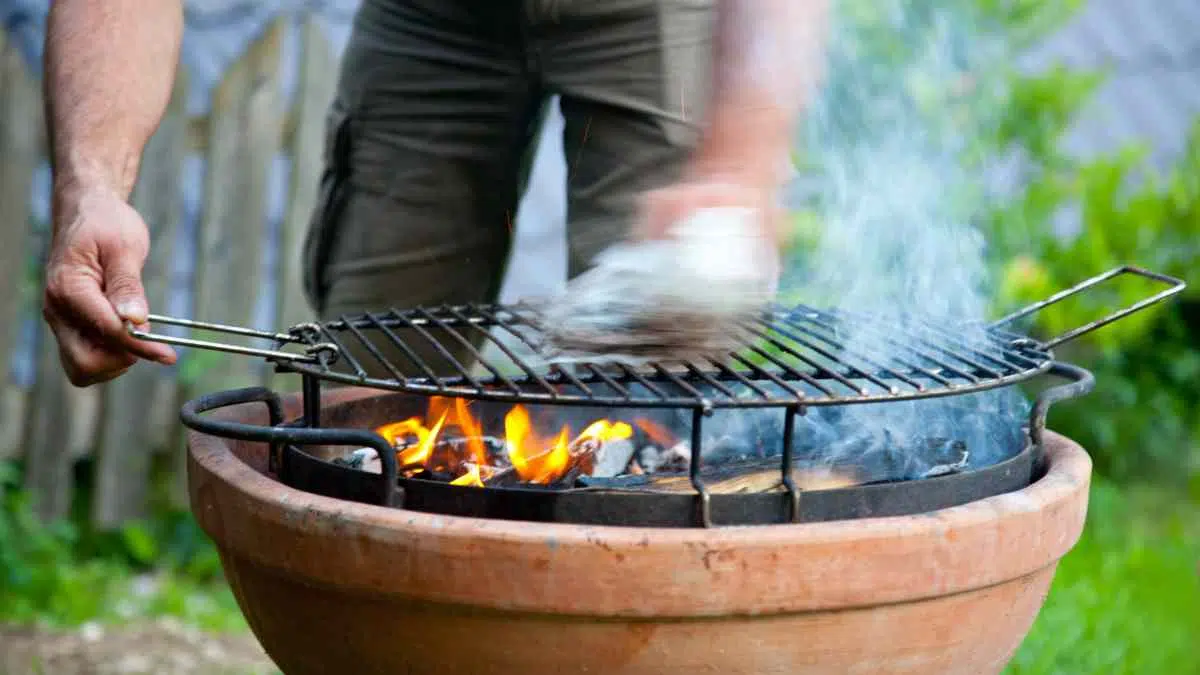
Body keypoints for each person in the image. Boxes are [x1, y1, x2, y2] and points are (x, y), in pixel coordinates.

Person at [40, 0, 828, 386]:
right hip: (435, 16)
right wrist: (94, 190)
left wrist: (737, 165)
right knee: (369, 373)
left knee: (668, 389)